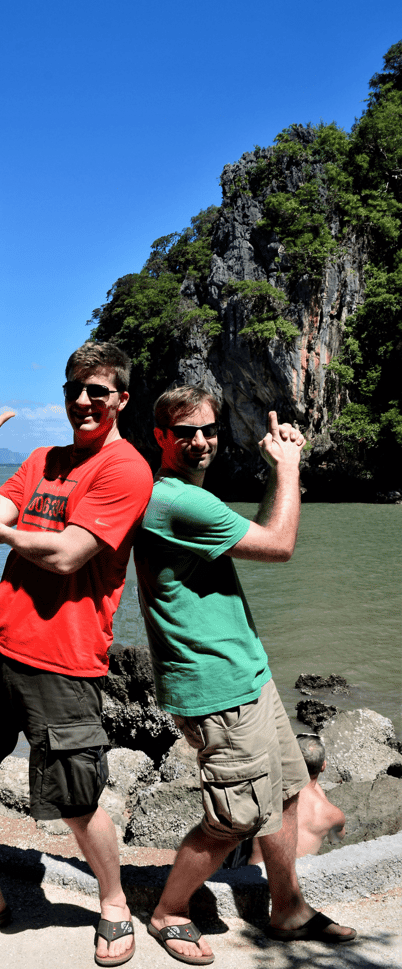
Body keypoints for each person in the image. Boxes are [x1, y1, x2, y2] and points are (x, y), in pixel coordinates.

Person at [0, 341, 153, 965]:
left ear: (121, 400)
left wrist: (5, 533)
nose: (82, 400)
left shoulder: (125, 469)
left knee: (77, 800)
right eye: (74, 388)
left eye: (97, 392)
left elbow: (70, 554)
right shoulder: (44, 460)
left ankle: (113, 903)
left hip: (67, 660)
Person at [134, 384, 356, 965]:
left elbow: (256, 535)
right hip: (215, 687)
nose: (201, 442)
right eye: (186, 433)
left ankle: (288, 908)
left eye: (208, 430)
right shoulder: (177, 501)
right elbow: (280, 544)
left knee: (284, 793)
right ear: (160, 436)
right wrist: (288, 466)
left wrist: (275, 475)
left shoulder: (190, 500)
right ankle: (170, 911)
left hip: (247, 675)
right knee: (236, 816)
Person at [249, 734, 346, 863]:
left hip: (250, 872)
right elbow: (336, 839)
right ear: (323, 766)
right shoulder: (332, 814)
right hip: (295, 877)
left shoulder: (265, 788)